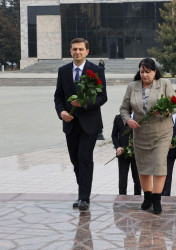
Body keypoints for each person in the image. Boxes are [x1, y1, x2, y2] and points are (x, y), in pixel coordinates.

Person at [54, 38, 107, 211]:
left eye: (81, 49)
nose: (78, 52)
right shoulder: (63, 71)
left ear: (87, 51)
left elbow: (102, 97)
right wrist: (61, 112)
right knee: (75, 160)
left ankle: (84, 197)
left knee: (84, 158)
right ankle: (82, 191)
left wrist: (84, 104)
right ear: (70, 51)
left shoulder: (96, 70)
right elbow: (58, 97)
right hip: (70, 123)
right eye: (74, 49)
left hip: (89, 124)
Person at [120, 58, 176, 214]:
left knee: (159, 163)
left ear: (155, 72)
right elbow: (124, 108)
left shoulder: (164, 84)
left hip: (162, 131)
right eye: (142, 71)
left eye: (148, 71)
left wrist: (167, 111)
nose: (144, 75)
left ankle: (157, 199)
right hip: (140, 132)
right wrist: (128, 120)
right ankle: (147, 197)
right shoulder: (132, 87)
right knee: (143, 165)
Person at [111, 114, 142, 196]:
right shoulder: (118, 117)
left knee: (138, 179)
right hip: (122, 153)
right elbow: (114, 135)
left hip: (137, 153)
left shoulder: (140, 117)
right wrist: (118, 147)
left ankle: (138, 198)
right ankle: (122, 197)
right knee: (122, 178)